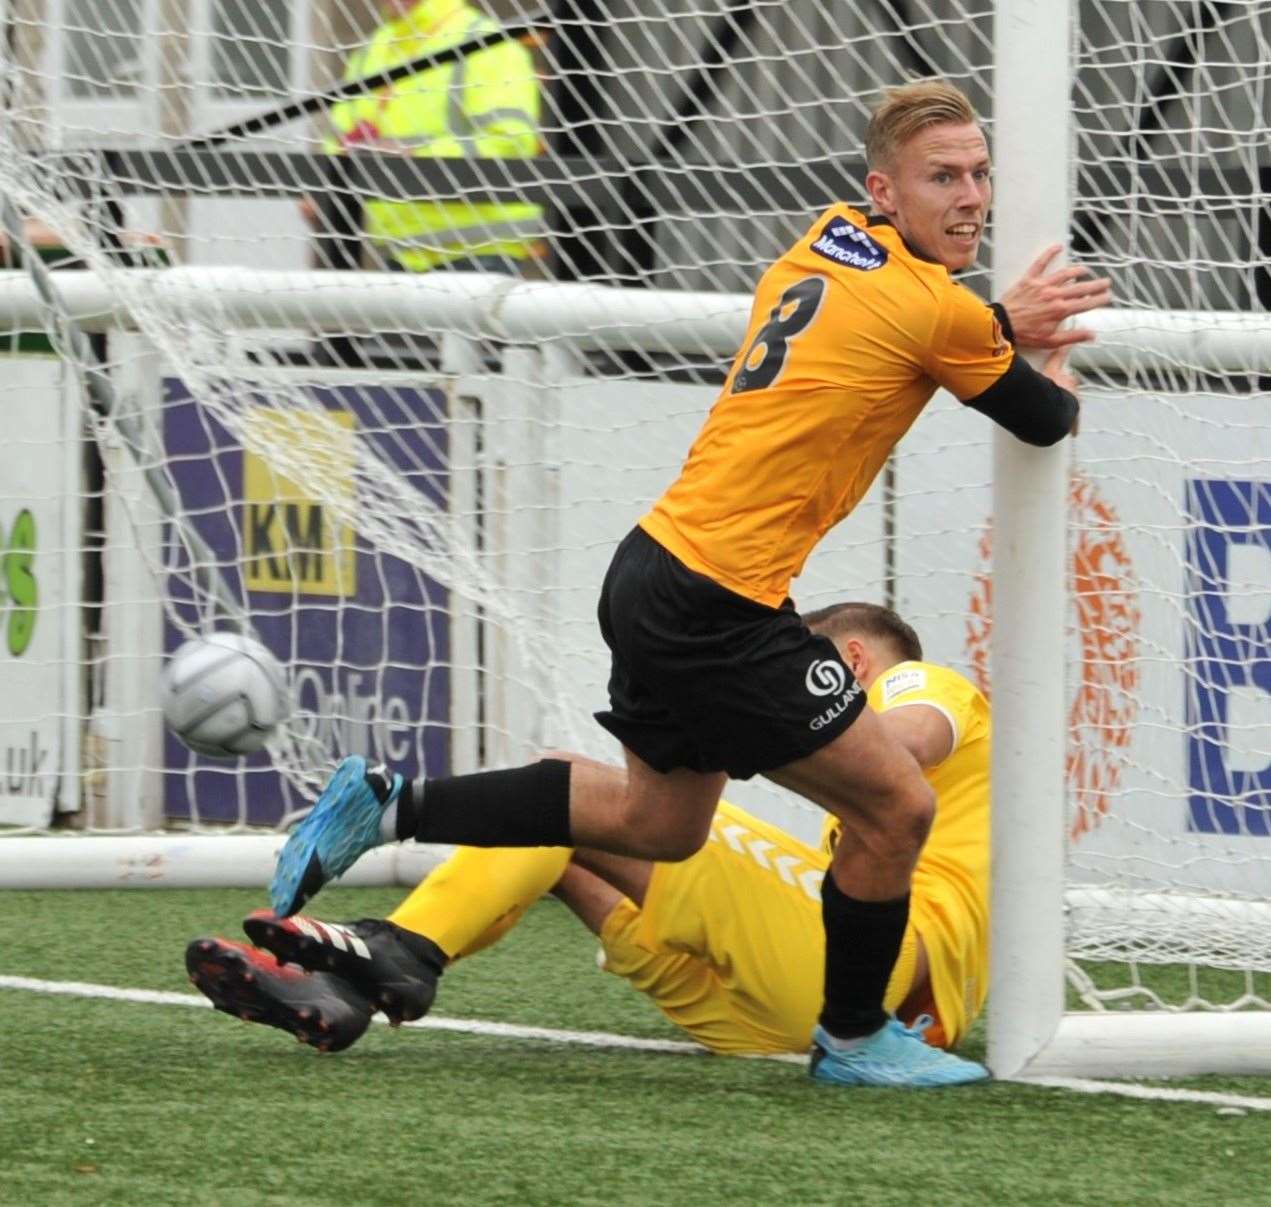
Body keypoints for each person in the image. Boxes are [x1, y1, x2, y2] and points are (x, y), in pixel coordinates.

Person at [266, 79, 1111, 1087]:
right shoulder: (935, 309)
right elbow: (1039, 420)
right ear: (883, 190)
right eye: (942, 178)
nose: (969, 195)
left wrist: (990, 321)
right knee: (895, 808)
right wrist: (1045, 349)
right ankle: (850, 1037)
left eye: (978, 174)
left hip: (653, 567)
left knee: (660, 824)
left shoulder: (828, 240)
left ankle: (391, 803)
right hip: (720, 599)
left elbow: (912, 329)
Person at [188, 603, 990, 1067]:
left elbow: (907, 743)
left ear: (848, 658)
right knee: (569, 846)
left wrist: (748, 722)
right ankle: (352, 983)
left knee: (573, 788)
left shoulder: (919, 683)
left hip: (883, 975)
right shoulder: (850, 824)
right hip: (794, 1025)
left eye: (804, 673)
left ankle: (397, 946)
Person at [313, 0, 544, 276]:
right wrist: (322, 184)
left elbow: (511, 142)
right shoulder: (373, 50)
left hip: (478, 252)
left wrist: (414, 158)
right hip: (399, 250)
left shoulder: (485, 40)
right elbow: (339, 138)